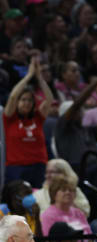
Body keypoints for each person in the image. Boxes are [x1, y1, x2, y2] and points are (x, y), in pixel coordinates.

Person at [3, 56, 53, 187]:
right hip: (16, 167)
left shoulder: (38, 117)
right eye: (23, 99)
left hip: (38, 166)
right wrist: (28, 76)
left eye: (30, 100)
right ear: (17, 102)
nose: (26, 103)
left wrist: (39, 78)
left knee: (38, 203)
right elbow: (13, 96)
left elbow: (49, 99)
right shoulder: (9, 118)